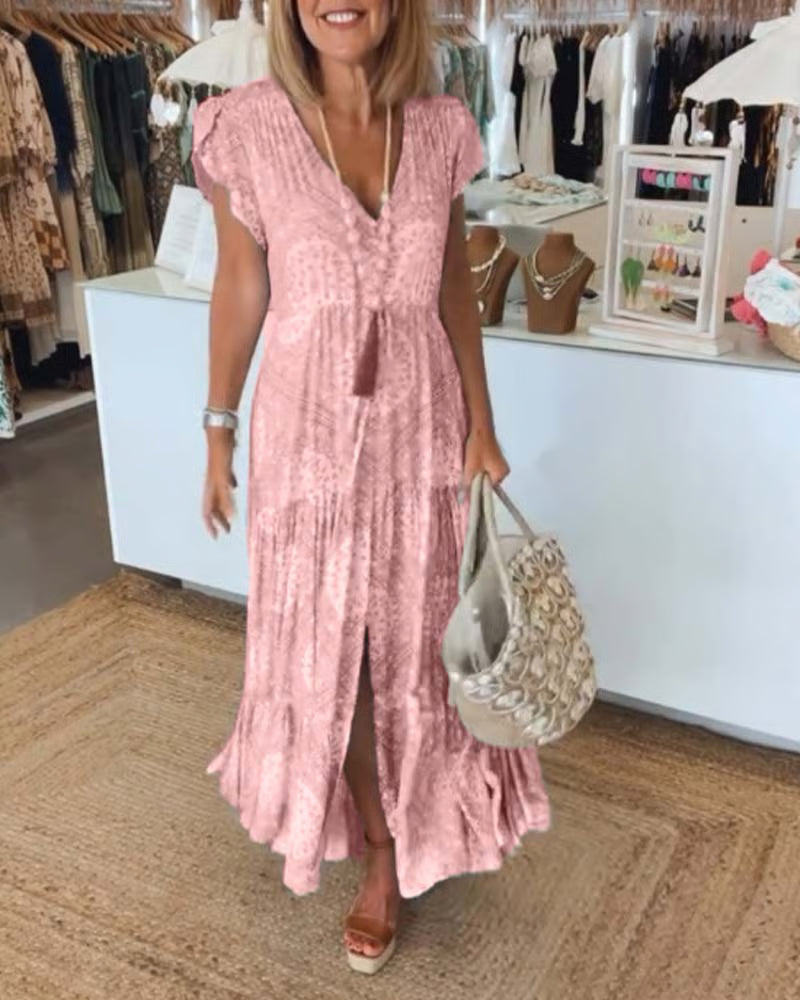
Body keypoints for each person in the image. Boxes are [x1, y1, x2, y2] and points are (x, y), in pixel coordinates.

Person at [193, 0, 550, 976]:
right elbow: (241, 285)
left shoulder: (437, 129)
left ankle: (428, 814)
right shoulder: (246, 126)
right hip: (306, 442)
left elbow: (451, 288)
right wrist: (217, 427)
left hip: (420, 436)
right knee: (339, 660)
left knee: (417, 649)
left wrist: (481, 422)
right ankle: (382, 854)